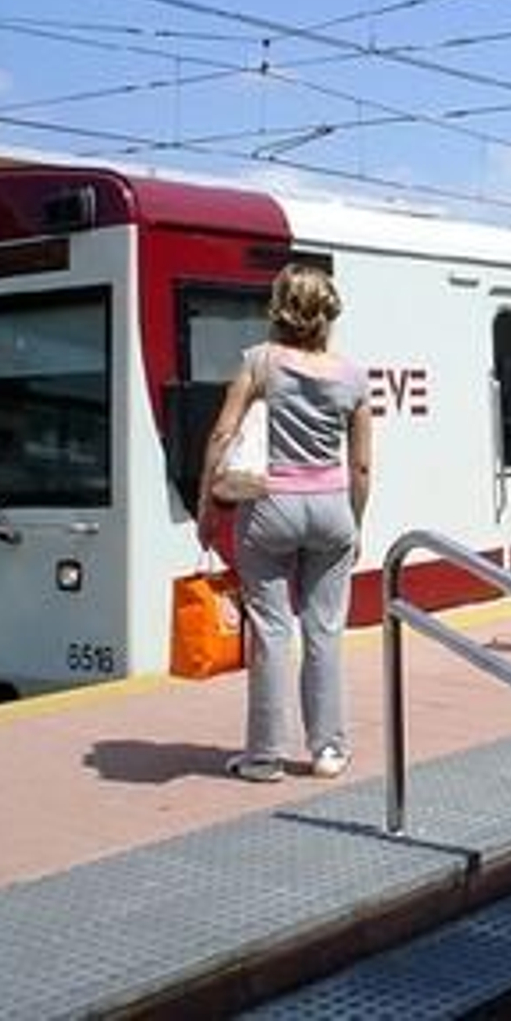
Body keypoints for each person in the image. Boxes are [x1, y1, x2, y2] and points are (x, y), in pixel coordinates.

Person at [198, 264, 373, 784]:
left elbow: (221, 436)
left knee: (272, 631)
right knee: (325, 631)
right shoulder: (353, 377)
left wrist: (208, 506)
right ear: (328, 314)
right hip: (331, 508)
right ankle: (328, 751)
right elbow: (362, 465)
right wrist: (355, 523)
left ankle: (264, 757)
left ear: (279, 309)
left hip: (269, 508)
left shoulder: (258, 362)